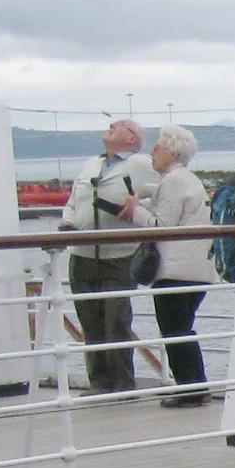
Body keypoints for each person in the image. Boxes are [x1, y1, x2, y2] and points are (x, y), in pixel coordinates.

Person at [57, 117, 154, 393]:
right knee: (90, 319)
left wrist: (138, 205)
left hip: (119, 254)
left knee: (116, 320)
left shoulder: (141, 165)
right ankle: (98, 380)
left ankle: (122, 382)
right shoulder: (91, 164)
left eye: (120, 125)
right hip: (83, 253)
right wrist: (68, 221)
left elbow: (162, 196)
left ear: (132, 138)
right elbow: (74, 200)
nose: (111, 125)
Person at [145, 126, 216, 405]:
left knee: (175, 329)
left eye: (157, 148)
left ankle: (191, 389)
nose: (151, 152)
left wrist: (133, 210)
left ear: (173, 152)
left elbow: (161, 225)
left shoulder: (173, 181)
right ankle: (194, 386)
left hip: (177, 269)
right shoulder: (189, 179)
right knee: (181, 327)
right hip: (195, 267)